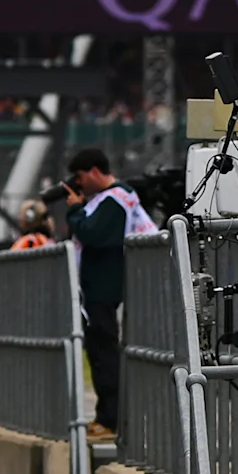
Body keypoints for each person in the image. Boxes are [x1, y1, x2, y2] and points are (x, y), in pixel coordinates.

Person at [60, 146, 159, 440]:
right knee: (100, 351)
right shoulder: (111, 198)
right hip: (99, 287)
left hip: (104, 288)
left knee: (105, 353)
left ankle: (111, 418)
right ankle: (109, 416)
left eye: (80, 177)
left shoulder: (115, 199)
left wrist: (74, 210)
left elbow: (95, 234)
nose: (79, 184)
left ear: (94, 171)